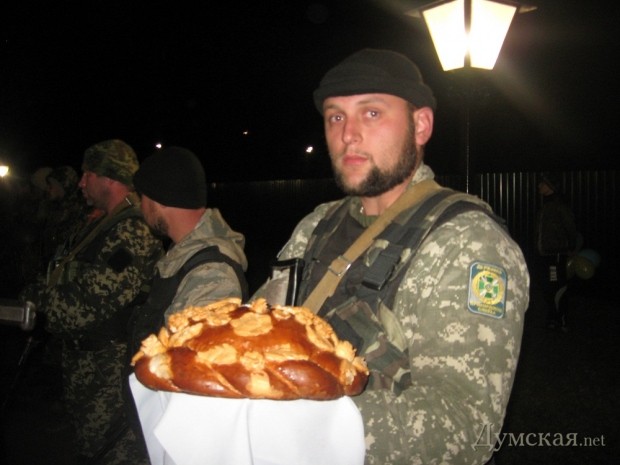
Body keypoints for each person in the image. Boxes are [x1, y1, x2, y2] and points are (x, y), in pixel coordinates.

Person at [253, 49, 530, 464]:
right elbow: (258, 332)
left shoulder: (465, 243)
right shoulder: (317, 225)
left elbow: (464, 426)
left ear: (420, 126)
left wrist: (298, 425)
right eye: (336, 117)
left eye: (372, 113)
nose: (348, 135)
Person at [19, 139, 164, 464]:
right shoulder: (101, 224)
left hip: (110, 370)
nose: (81, 183)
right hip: (88, 366)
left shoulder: (132, 231)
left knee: (113, 453)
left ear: (109, 179)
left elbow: (86, 306)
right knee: (90, 447)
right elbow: (62, 274)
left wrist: (35, 300)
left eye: (88, 174)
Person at [129, 145, 249, 350]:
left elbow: (190, 362)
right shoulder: (183, 254)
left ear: (160, 199)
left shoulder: (212, 273)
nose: (141, 207)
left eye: (143, 197)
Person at [535, 173, 577, 331]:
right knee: (547, 286)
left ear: (550, 186)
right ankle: (553, 317)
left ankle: (561, 318)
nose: (539, 186)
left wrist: (570, 247)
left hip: (555, 254)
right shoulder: (545, 206)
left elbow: (570, 227)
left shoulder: (559, 205)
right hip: (545, 254)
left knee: (557, 286)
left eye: (543, 183)